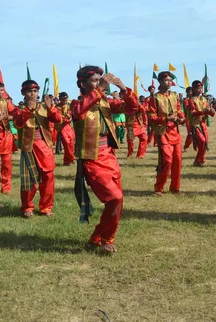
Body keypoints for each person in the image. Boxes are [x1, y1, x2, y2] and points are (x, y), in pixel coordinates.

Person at [72, 66, 138, 253]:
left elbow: (133, 108)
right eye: (94, 81)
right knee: (114, 198)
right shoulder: (76, 104)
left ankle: (102, 238)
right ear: (82, 84)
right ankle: (104, 237)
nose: (101, 83)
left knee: (118, 200)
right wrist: (100, 89)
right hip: (91, 158)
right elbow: (79, 112)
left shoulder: (105, 103)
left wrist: (124, 89)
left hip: (109, 156)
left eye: (101, 80)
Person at [12, 80, 62, 217]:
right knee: (29, 180)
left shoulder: (44, 107)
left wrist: (51, 107)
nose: (33, 94)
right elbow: (18, 124)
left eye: (35, 91)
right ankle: (27, 207)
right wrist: (28, 109)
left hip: (45, 147)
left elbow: (58, 119)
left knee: (48, 177)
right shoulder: (19, 109)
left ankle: (46, 207)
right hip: (29, 147)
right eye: (30, 91)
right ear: (23, 93)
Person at [148, 71, 185, 195]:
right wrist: (166, 119)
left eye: (170, 80)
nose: (169, 82)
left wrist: (181, 118)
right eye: (166, 80)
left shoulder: (174, 95)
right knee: (167, 160)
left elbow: (179, 110)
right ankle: (159, 188)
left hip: (175, 131)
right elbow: (151, 117)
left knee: (178, 161)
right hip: (163, 132)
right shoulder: (155, 98)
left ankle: (175, 188)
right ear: (159, 81)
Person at [186, 80, 215, 167]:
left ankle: (199, 160)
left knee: (205, 142)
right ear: (194, 89)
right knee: (202, 141)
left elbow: (209, 111)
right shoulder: (191, 100)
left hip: (203, 124)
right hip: (195, 124)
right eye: (198, 88)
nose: (200, 90)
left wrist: (212, 111)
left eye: (201, 88)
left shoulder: (204, 99)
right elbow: (193, 113)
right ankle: (200, 160)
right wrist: (203, 112)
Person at [55, 92, 76, 165]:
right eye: (63, 98)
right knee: (66, 143)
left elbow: (72, 114)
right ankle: (71, 157)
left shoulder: (69, 106)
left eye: (66, 98)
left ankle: (67, 161)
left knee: (71, 144)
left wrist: (69, 117)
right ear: (60, 99)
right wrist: (66, 118)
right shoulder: (57, 107)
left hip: (70, 127)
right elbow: (57, 117)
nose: (65, 100)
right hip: (62, 127)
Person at [126, 93, 148, 158]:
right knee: (130, 140)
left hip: (140, 125)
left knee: (144, 138)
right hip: (131, 126)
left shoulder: (139, 105)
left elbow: (144, 111)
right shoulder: (126, 105)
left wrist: (139, 105)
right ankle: (130, 153)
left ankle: (140, 155)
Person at [182, 87, 193, 152]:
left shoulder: (196, 98)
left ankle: (197, 145)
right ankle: (186, 146)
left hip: (196, 119)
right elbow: (187, 107)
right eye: (189, 91)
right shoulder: (186, 100)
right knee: (190, 134)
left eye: (192, 91)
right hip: (189, 119)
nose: (191, 92)